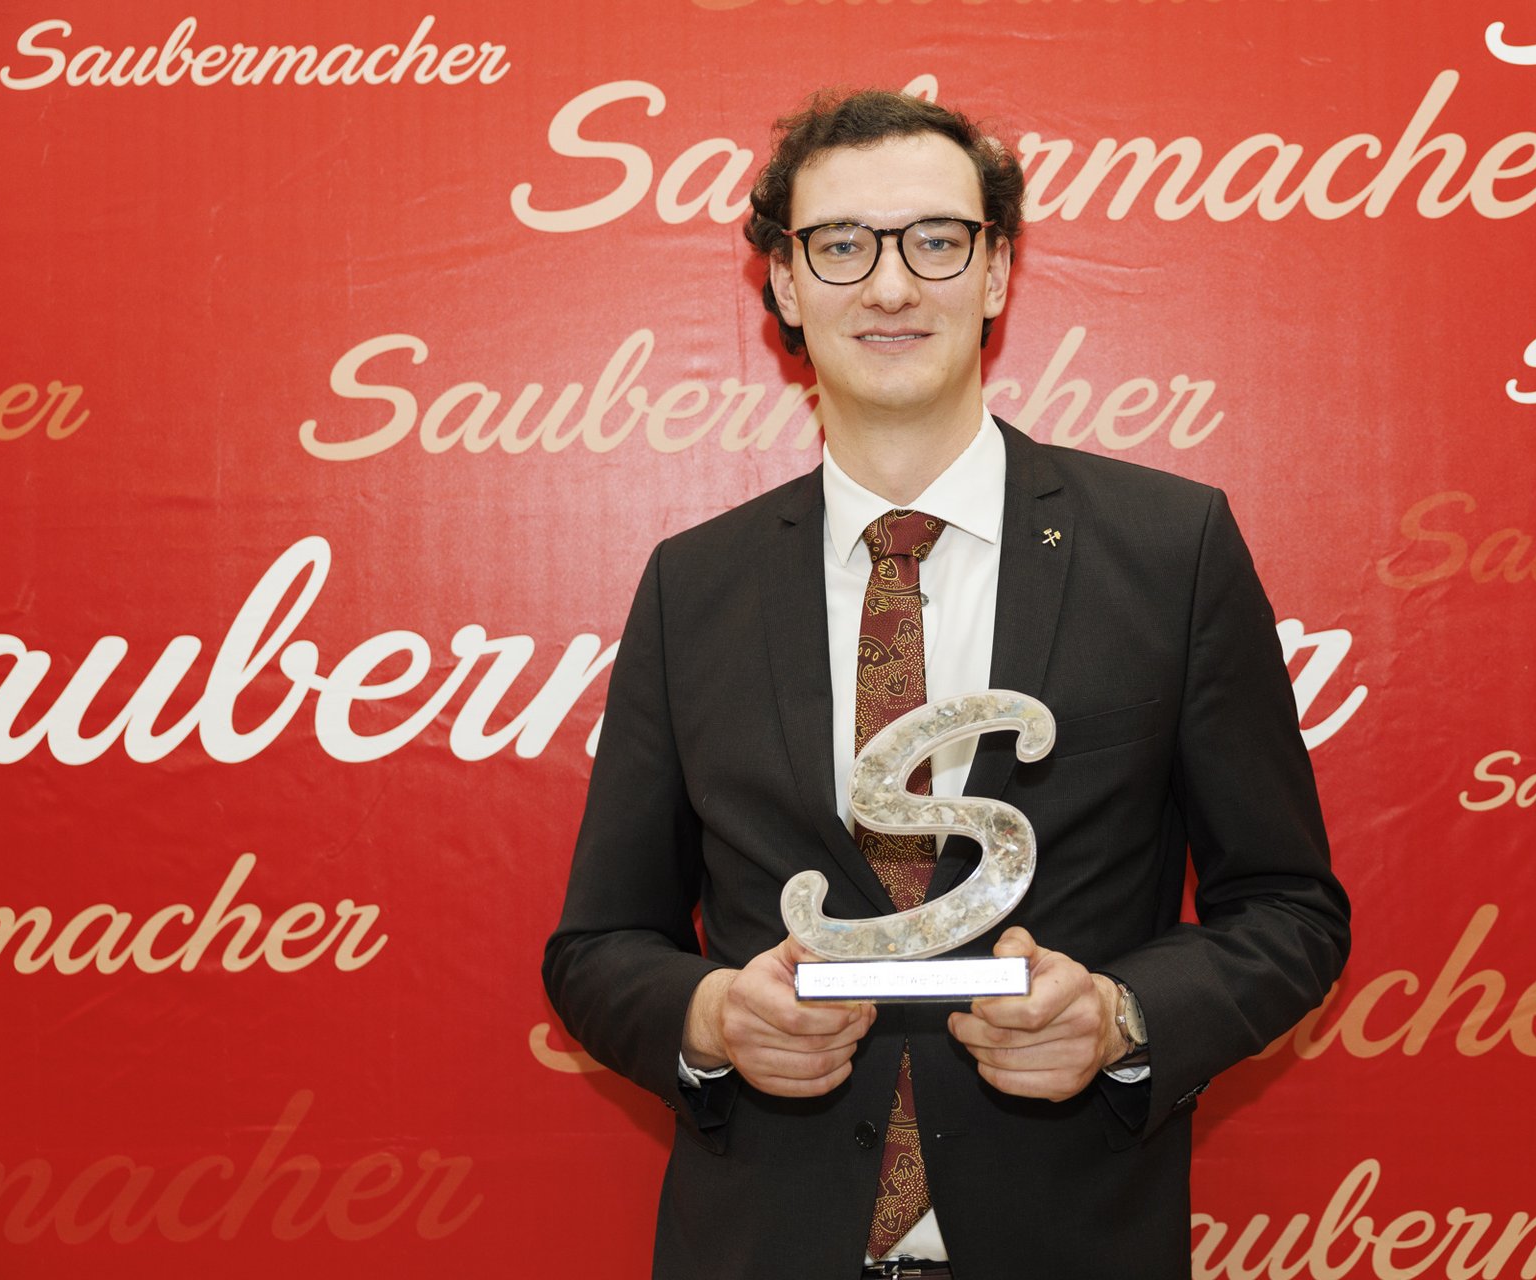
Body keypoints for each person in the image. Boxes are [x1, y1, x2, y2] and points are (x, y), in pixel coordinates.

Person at [544, 89, 1350, 1280]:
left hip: (1072, 1237)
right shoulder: (691, 583)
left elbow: (1289, 908)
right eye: (841, 245)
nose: (888, 286)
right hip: (765, 1241)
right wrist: (711, 1018)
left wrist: (1121, 1016)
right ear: (783, 284)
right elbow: (601, 943)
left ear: (997, 273)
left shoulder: (1171, 548)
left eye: (936, 240)